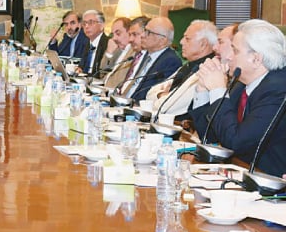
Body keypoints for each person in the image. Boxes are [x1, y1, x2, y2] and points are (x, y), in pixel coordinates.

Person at [190, 20, 286, 176]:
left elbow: (236, 142)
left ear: (256, 58)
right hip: (240, 173)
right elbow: (210, 136)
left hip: (270, 187)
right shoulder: (241, 83)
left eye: (235, 51)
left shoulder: (278, 89)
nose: (228, 57)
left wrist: (218, 90)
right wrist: (203, 90)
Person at [146, 20, 217, 117]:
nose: (181, 42)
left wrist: (161, 96)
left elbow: (166, 107)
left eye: (187, 39)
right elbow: (150, 93)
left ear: (203, 44)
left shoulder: (207, 71)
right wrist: (161, 95)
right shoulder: (187, 66)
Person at [121, 16, 181, 102]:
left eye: (148, 32)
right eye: (145, 30)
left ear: (162, 40)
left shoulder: (170, 61)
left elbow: (152, 94)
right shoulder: (146, 55)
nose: (142, 35)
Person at [105, 16, 149, 90]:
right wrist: (109, 53)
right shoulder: (116, 47)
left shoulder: (136, 52)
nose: (114, 38)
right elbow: (102, 71)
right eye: (113, 34)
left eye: (118, 33)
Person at [77, 10, 110, 76]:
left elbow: (103, 71)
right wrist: (79, 69)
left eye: (91, 22)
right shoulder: (87, 43)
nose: (86, 26)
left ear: (102, 25)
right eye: (84, 23)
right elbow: (81, 67)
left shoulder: (108, 44)